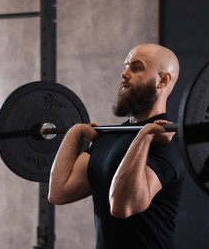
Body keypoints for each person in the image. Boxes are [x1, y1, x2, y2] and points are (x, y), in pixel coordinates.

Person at [48, 43, 186, 249]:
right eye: (126, 66)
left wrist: (145, 137)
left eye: (136, 67)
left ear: (162, 80)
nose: (124, 73)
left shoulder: (166, 143)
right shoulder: (111, 136)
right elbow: (59, 192)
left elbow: (123, 206)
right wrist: (74, 133)